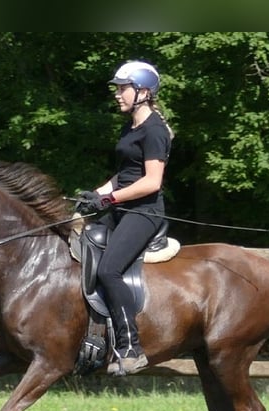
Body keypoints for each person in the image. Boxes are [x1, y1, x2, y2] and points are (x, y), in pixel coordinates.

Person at [79, 60, 174, 376]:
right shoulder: (130, 126)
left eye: (123, 88)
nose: (118, 94)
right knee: (78, 242)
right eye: (118, 89)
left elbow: (151, 182)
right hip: (121, 208)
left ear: (143, 92)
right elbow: (124, 175)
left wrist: (108, 198)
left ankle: (131, 347)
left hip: (144, 212)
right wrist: (94, 195)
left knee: (109, 270)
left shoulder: (155, 130)